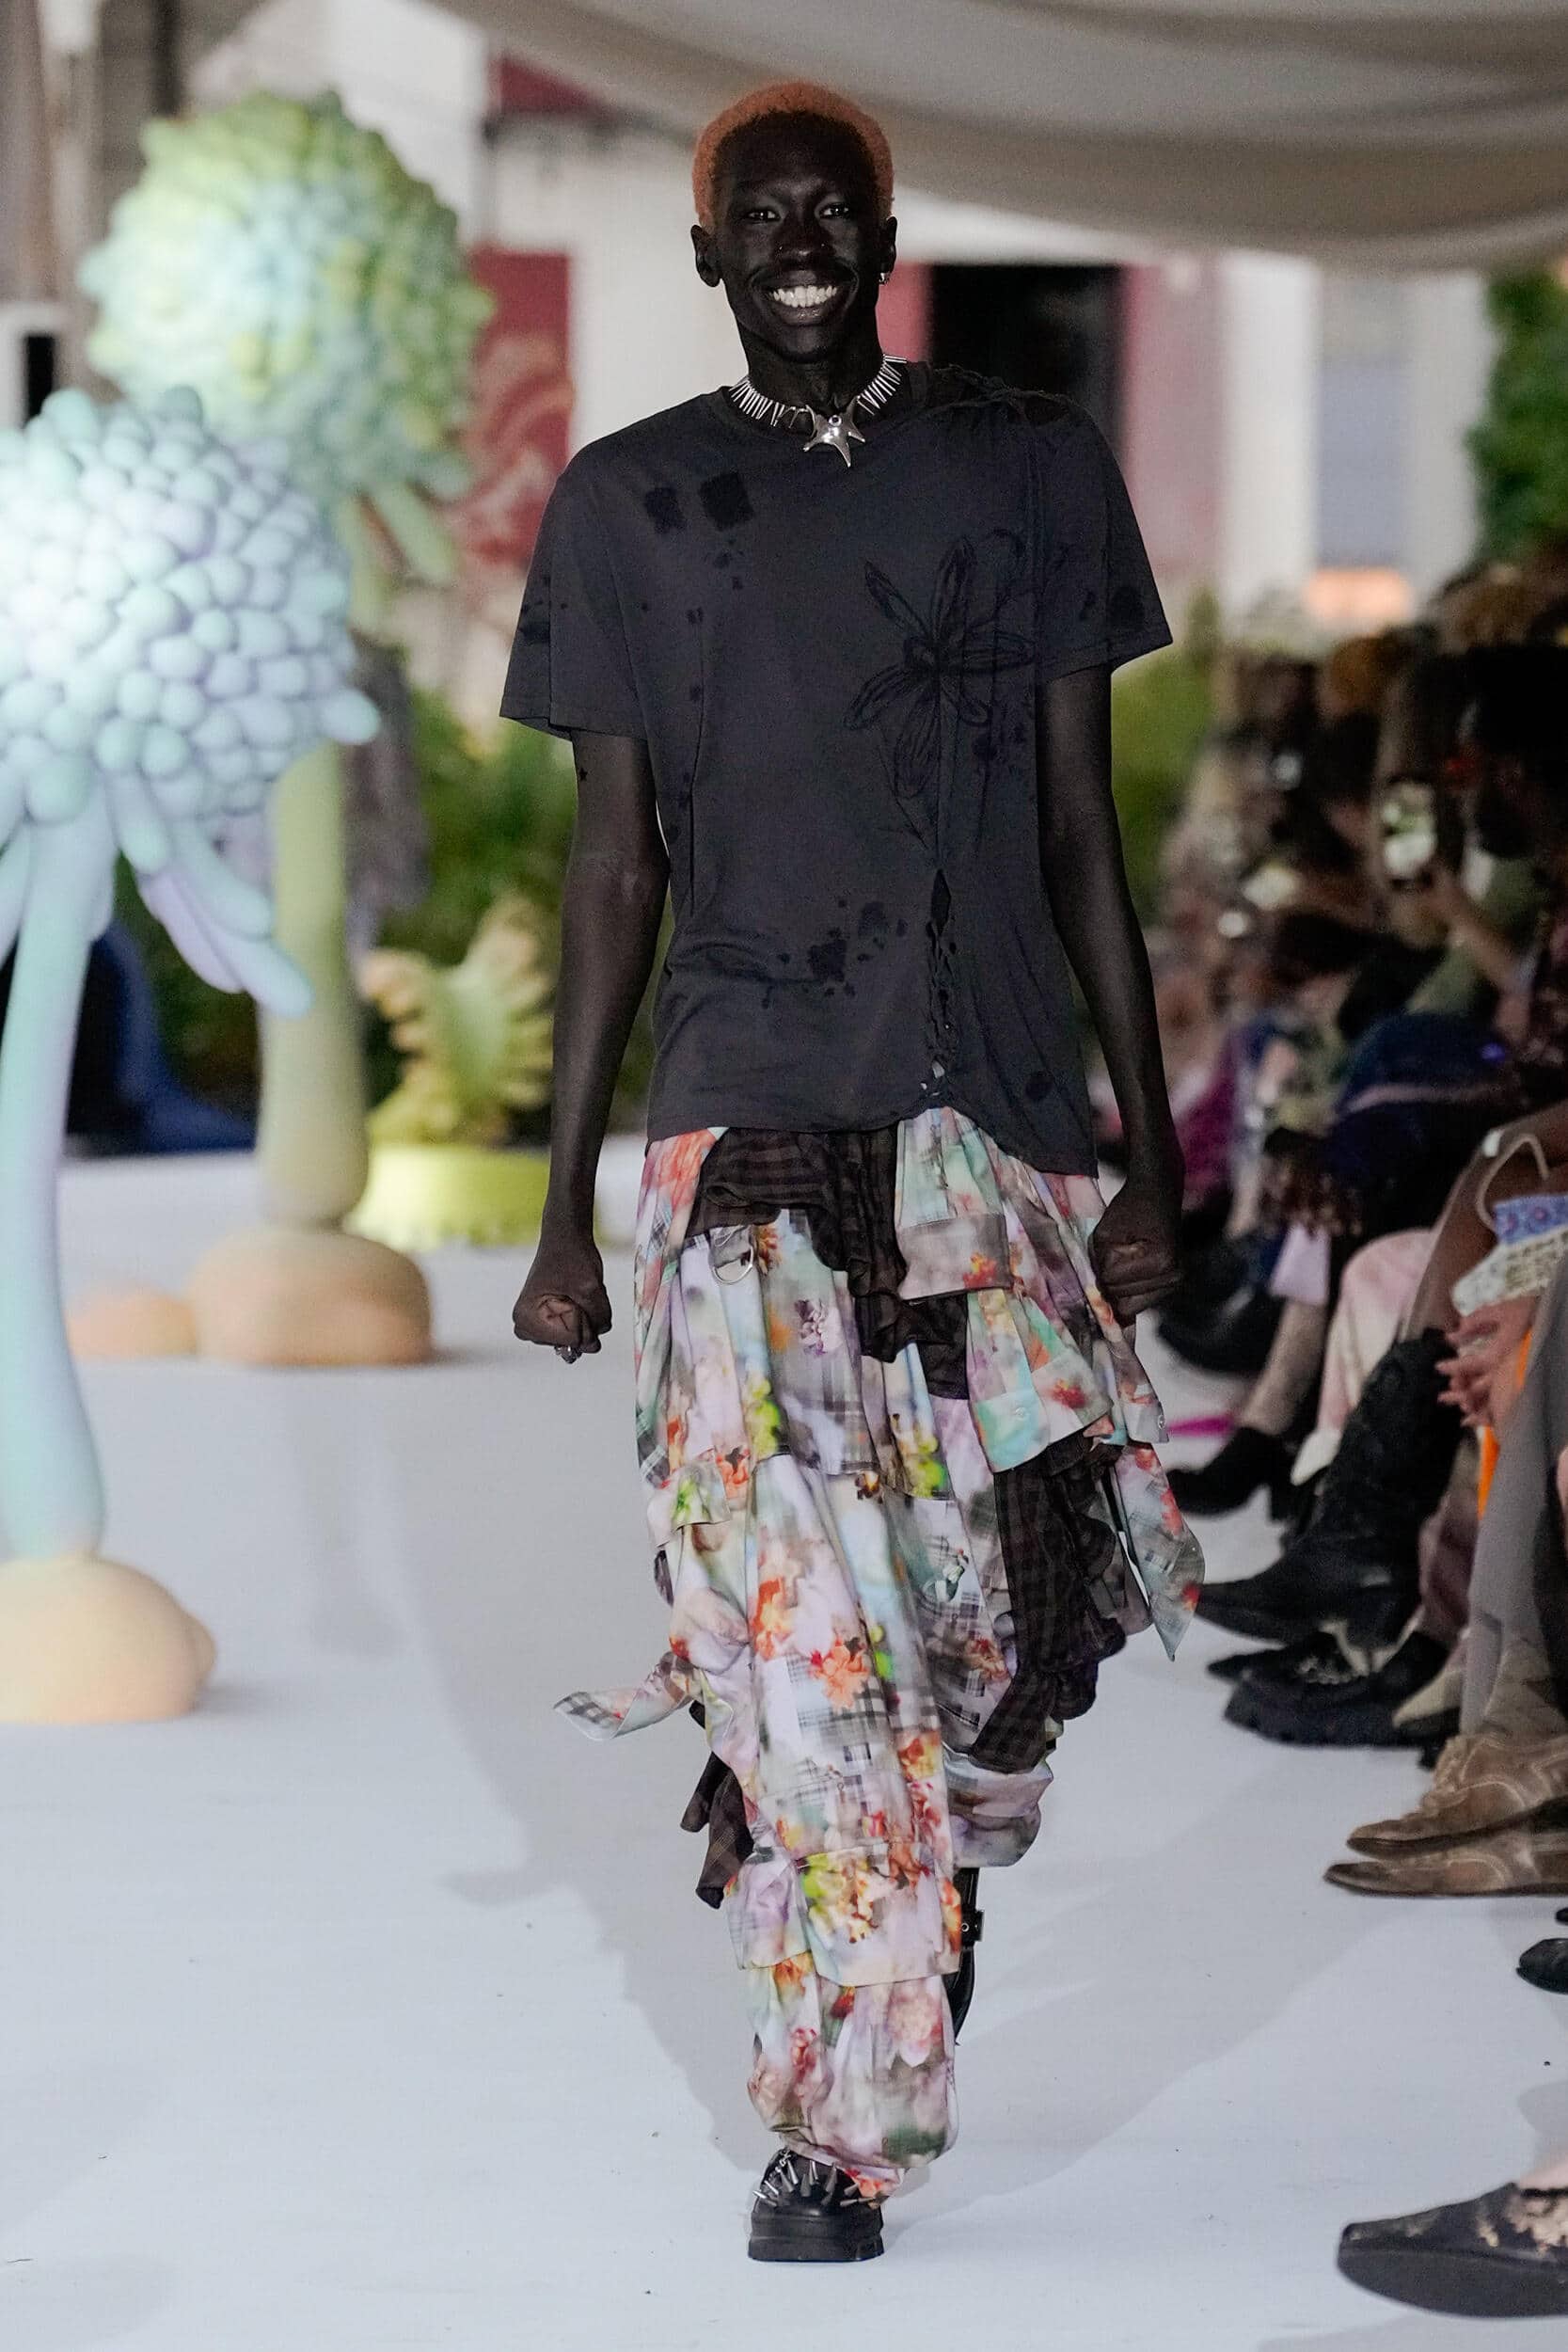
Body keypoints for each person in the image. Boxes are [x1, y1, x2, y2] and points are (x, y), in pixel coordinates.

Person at [501, 82, 1202, 2262]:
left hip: (985, 1116)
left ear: (887, 238)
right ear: (709, 253)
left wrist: (1148, 1159)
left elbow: (1084, 833)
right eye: (762, 215)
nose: (801, 242)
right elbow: (613, 868)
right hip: (742, 1116)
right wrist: (561, 1209)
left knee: (995, 1633)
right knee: (803, 1645)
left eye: (836, 211)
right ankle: (845, 2108)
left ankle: (939, 1871)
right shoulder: (628, 502)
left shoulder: (1029, 463)